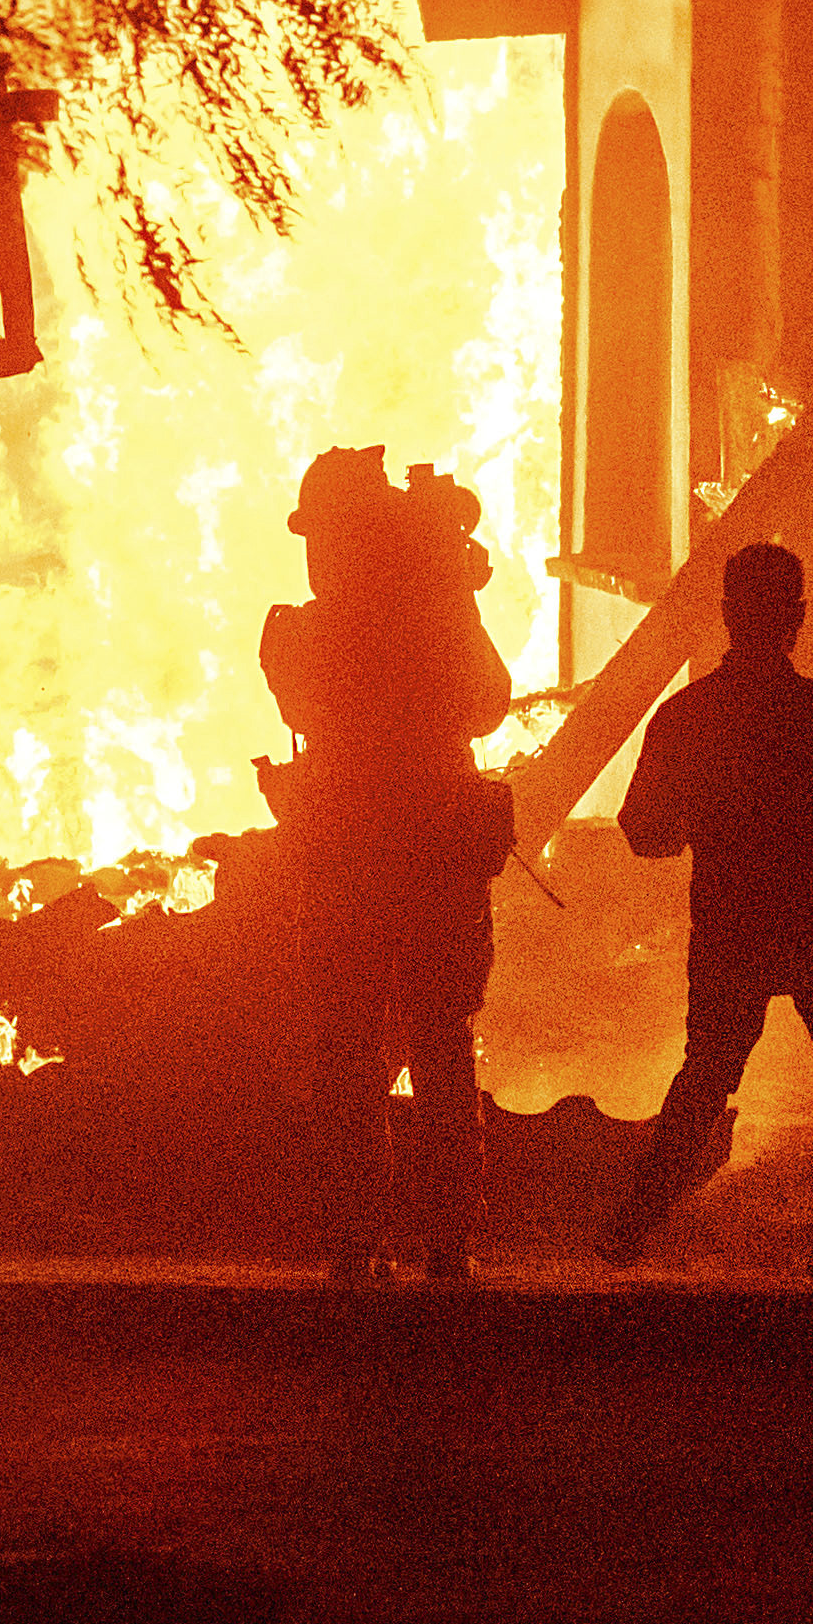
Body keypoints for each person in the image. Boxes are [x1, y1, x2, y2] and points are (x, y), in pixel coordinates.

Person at [598, 542, 813, 1279]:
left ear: (728, 615)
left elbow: (645, 833)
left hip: (729, 922)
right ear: (796, 618)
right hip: (812, 919)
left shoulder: (686, 717)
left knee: (708, 1073)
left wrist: (705, 817)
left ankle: (628, 1226)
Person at [261, 447, 515, 1283]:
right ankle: (446, 1242)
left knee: (348, 1051)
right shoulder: (433, 617)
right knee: (441, 1045)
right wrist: (448, 591)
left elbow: (302, 699)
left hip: (349, 853)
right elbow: (486, 703)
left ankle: (354, 1242)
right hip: (434, 845)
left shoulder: (318, 629)